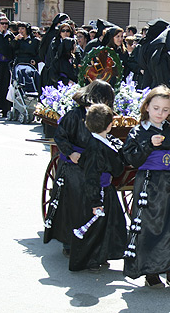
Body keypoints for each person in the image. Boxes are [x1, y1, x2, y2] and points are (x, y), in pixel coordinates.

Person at [123, 85, 170, 290]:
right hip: (149, 184)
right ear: (147, 107)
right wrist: (148, 145)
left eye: (165, 109)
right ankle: (150, 271)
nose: (160, 113)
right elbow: (131, 158)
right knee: (150, 227)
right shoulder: (138, 131)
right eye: (156, 108)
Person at [43, 80, 116, 257]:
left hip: (95, 165)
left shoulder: (105, 117)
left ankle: (97, 243)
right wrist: (70, 153)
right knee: (75, 200)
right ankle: (69, 242)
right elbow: (60, 136)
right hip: (74, 165)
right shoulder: (74, 115)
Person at [69, 104, 126, 272]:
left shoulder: (99, 142)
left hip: (105, 191)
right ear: (109, 126)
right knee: (96, 228)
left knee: (109, 225)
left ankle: (102, 255)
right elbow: (93, 177)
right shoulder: (96, 147)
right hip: (98, 193)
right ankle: (92, 259)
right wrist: (95, 202)